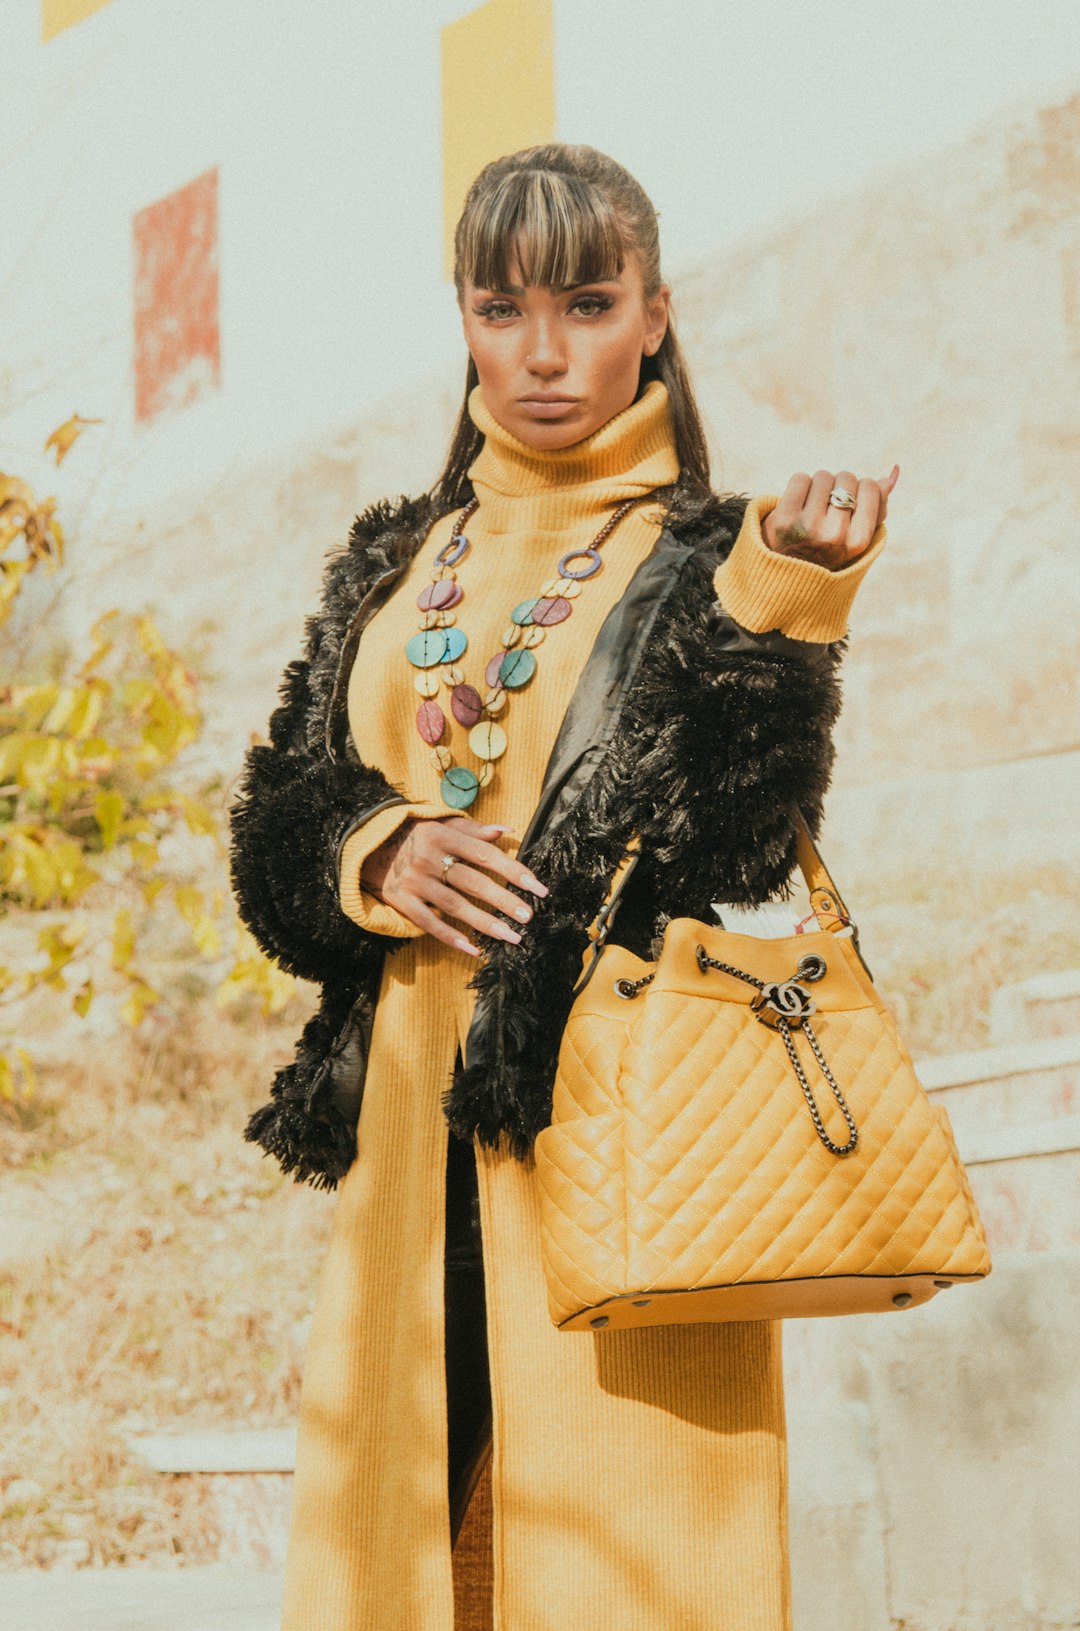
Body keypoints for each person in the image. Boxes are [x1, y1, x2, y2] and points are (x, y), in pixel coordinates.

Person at [228, 142, 896, 1631]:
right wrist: (374, 847)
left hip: (623, 1138)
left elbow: (734, 846)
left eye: (587, 305)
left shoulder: (719, 553)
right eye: (499, 307)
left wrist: (786, 609)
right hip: (411, 1151)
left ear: (657, 313)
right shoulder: (394, 562)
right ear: (461, 316)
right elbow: (275, 827)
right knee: (413, 1564)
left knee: (631, 1566)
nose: (541, 354)